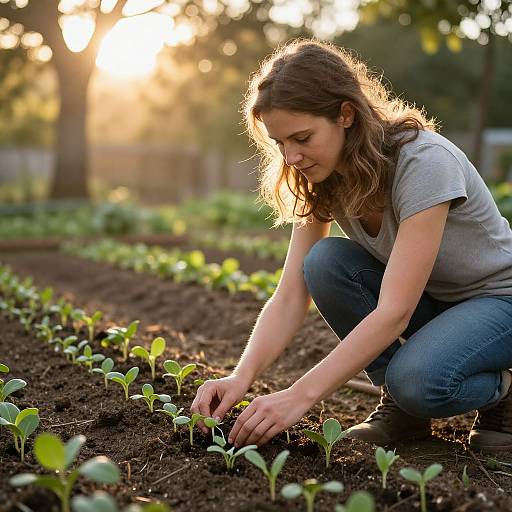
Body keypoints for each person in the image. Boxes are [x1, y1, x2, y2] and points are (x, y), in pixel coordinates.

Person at [191, 39, 512, 453]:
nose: (291, 157)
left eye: (302, 137)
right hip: (437, 302)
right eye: (280, 143)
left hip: (499, 302)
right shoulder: (322, 176)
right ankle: (404, 413)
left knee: (416, 381)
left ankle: (503, 392)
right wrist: (241, 376)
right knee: (324, 262)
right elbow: (291, 295)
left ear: (345, 114)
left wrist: (298, 397)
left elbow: (395, 313)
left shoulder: (423, 163)